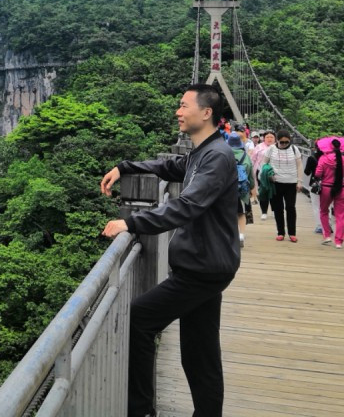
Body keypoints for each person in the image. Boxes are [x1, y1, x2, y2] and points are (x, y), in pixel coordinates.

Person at [100, 84, 240, 417]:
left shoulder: (216, 157)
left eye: (184, 105)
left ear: (206, 112)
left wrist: (131, 223)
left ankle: (141, 410)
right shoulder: (202, 153)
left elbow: (187, 205)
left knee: (139, 318)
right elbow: (169, 167)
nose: (178, 111)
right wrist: (125, 167)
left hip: (203, 268)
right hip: (207, 263)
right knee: (200, 353)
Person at [261, 129, 303, 241]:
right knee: (278, 208)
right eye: (282, 142)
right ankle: (280, 232)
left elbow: (299, 165)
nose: (284, 144)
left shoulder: (294, 149)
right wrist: (267, 175)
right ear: (277, 140)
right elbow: (264, 163)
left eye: (286, 142)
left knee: (290, 207)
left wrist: (299, 181)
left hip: (291, 183)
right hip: (275, 183)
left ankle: (292, 233)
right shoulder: (271, 149)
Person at [314, 137, 344, 248]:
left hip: (326, 188)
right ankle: (339, 241)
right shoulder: (343, 158)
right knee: (340, 215)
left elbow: (318, 174)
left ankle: (327, 236)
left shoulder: (323, 158)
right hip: (341, 188)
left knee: (324, 211)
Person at [227, 132, 255, 247]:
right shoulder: (245, 156)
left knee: (227, 213)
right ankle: (241, 235)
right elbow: (250, 175)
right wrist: (252, 188)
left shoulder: (224, 154)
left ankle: (229, 235)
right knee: (241, 213)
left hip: (226, 189)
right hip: (242, 189)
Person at [252, 131, 275, 219]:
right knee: (263, 191)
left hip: (274, 172)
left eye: (271, 137)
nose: (269, 139)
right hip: (261, 172)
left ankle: (274, 210)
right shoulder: (259, 147)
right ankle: (264, 212)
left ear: (275, 139)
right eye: (267, 137)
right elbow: (253, 159)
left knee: (274, 191)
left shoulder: (277, 147)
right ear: (264, 138)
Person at [304, 145, 324, 234]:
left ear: (316, 148)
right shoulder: (333, 158)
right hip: (329, 184)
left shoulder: (312, 158)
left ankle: (320, 226)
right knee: (327, 206)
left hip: (315, 185)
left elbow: (307, 172)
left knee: (316, 206)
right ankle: (328, 225)